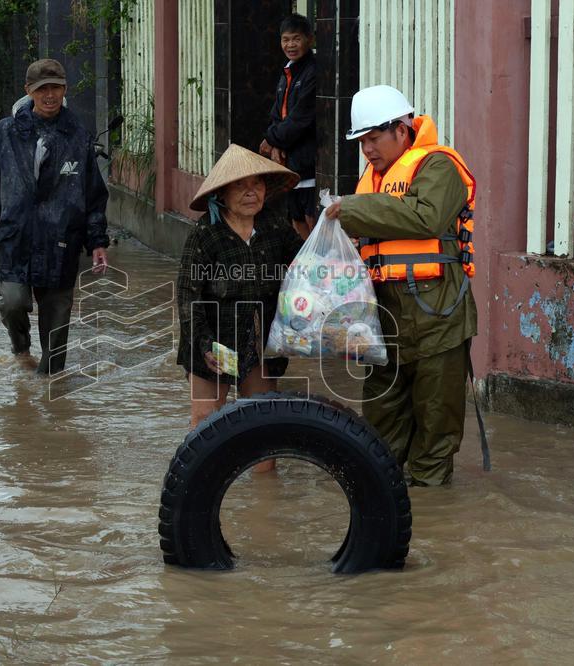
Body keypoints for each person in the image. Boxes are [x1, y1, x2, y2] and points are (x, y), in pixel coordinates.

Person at [323, 85, 477, 486]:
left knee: (436, 424)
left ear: (403, 130)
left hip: (437, 316)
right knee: (380, 423)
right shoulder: (371, 180)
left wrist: (351, 209)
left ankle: (430, 512)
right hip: (385, 318)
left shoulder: (438, 166)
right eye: (362, 141)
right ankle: (384, 502)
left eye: (374, 138)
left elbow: (425, 218)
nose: (367, 149)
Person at [0, 59, 110, 375]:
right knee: (12, 301)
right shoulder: (7, 132)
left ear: (64, 89)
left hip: (61, 242)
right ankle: (21, 350)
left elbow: (93, 195)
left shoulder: (77, 136)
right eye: (42, 89)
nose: (50, 96)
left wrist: (98, 241)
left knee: (57, 322)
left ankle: (52, 385)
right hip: (15, 237)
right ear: (29, 92)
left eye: (55, 88)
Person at [177, 144, 301, 470]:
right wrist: (204, 345)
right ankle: (200, 489)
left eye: (257, 184)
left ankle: (263, 500)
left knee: (261, 425)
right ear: (222, 193)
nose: (251, 192)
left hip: (260, 341)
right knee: (207, 423)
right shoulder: (206, 234)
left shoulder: (275, 228)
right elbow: (188, 296)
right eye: (240, 185)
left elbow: (306, 263)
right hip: (213, 338)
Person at [259, 13, 317, 241]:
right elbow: (277, 114)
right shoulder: (288, 72)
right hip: (289, 161)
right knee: (296, 220)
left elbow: (301, 118)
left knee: (311, 220)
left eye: (296, 39)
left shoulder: (313, 71)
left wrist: (272, 140)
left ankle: (318, 271)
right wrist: (275, 144)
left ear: (310, 40)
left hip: (306, 160)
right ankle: (304, 270)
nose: (290, 45)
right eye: (285, 39)